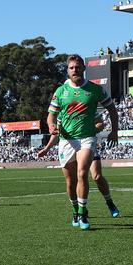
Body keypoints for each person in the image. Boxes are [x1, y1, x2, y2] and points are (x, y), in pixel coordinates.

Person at [46, 54, 119, 230]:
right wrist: (50, 126)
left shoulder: (95, 90)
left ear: (83, 69)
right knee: (70, 182)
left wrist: (114, 131)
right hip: (66, 141)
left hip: (86, 138)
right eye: (71, 68)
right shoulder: (61, 92)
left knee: (82, 173)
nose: (75, 70)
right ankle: (75, 209)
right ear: (67, 70)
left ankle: (83, 212)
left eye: (78, 67)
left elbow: (111, 109)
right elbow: (51, 116)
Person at [37, 118, 120, 218]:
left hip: (86, 145)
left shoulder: (86, 105)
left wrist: (87, 131)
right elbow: (57, 132)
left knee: (97, 176)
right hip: (70, 147)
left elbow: (100, 124)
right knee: (73, 181)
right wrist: (47, 149)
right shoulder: (63, 109)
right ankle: (79, 210)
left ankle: (109, 202)